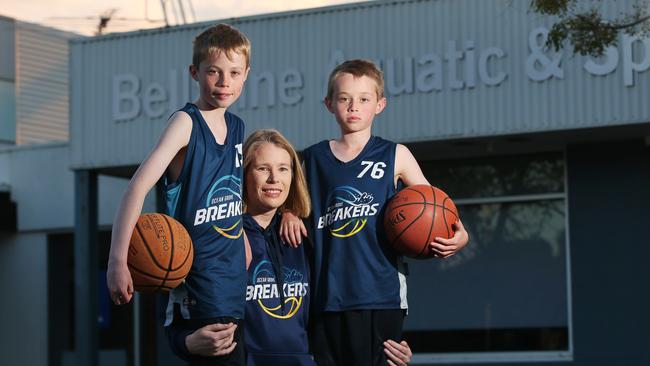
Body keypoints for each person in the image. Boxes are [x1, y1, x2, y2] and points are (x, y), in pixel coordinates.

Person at [281, 59, 470, 366]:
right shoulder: (313, 158)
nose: (353, 106)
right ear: (329, 104)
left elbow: (437, 206)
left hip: (381, 294)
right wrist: (290, 213)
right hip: (326, 297)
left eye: (364, 99)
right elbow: (292, 202)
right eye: (344, 99)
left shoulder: (396, 155)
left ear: (380, 104)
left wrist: (461, 236)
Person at [170, 129, 413, 365]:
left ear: (293, 176)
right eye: (263, 168)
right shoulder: (220, 237)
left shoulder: (307, 238)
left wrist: (383, 344)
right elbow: (177, 311)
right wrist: (187, 343)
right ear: (243, 174)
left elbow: (342, 305)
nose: (274, 179)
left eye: (283, 169)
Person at [106, 23, 255, 365]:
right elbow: (137, 186)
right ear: (194, 72)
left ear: (246, 74)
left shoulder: (238, 127)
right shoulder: (185, 123)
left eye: (234, 72)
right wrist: (116, 260)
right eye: (213, 72)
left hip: (233, 284)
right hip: (197, 280)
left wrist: (243, 237)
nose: (224, 82)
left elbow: (231, 192)